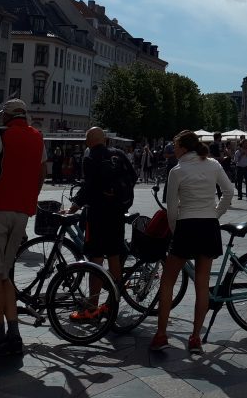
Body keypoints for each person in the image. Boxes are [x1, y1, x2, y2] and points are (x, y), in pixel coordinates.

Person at [150, 130, 234, 353]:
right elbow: (229, 191)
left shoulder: (177, 171)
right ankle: (195, 337)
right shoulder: (213, 165)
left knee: (168, 280)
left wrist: (176, 230)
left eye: (175, 146)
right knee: (202, 284)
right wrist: (215, 214)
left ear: (184, 148)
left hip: (186, 225)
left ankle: (161, 334)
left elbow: (171, 208)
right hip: (208, 225)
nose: (173, 150)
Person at [0, 99, 46, 356]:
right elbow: (42, 173)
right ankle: (14, 333)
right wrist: (30, 197)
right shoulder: (38, 137)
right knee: (5, 272)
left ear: (7, 116)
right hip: (22, 212)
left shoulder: (2, 135)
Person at [68, 127, 136, 320]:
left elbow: (89, 187)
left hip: (97, 215)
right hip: (117, 213)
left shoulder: (91, 157)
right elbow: (133, 177)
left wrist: (73, 207)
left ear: (89, 141)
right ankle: (113, 302)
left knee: (95, 260)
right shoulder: (119, 155)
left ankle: (91, 307)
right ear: (105, 139)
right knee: (114, 256)